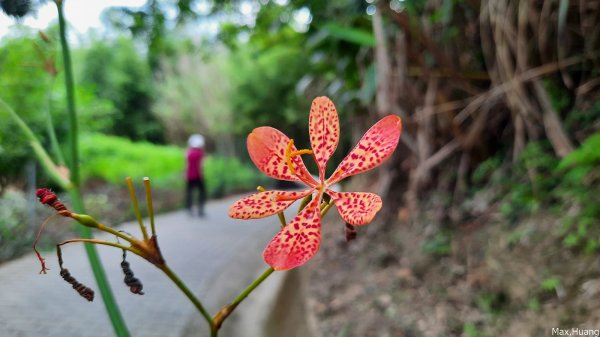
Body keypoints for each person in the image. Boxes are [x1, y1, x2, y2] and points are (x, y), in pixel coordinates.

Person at [185, 134, 206, 217]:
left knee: (189, 193)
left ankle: (189, 209)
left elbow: (186, 165)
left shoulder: (188, 152)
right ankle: (200, 209)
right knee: (202, 192)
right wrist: (202, 175)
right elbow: (201, 165)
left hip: (189, 176)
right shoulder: (200, 153)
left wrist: (185, 174)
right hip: (198, 175)